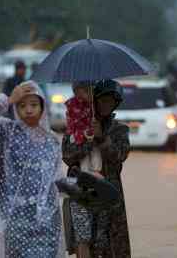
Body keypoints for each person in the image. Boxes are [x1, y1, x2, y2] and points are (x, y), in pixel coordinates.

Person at [0, 81, 65, 258]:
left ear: (43, 107)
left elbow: (56, 179)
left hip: (47, 219)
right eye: (22, 105)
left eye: (34, 104)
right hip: (16, 218)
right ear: (15, 109)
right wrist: (8, 100)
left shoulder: (52, 140)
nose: (29, 110)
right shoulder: (7, 131)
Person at [62, 79, 131, 258]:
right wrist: (86, 139)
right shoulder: (76, 126)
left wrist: (101, 138)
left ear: (116, 103)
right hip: (81, 194)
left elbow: (119, 157)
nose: (106, 104)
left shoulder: (119, 130)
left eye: (110, 101)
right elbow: (67, 157)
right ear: (94, 101)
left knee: (110, 246)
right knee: (83, 244)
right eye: (102, 100)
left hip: (109, 195)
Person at [65, 81, 102, 174]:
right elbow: (72, 121)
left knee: (96, 159)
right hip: (80, 137)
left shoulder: (95, 103)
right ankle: (86, 175)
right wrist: (73, 134)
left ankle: (96, 172)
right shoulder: (73, 104)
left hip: (93, 137)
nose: (81, 95)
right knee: (84, 162)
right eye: (77, 92)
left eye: (85, 92)